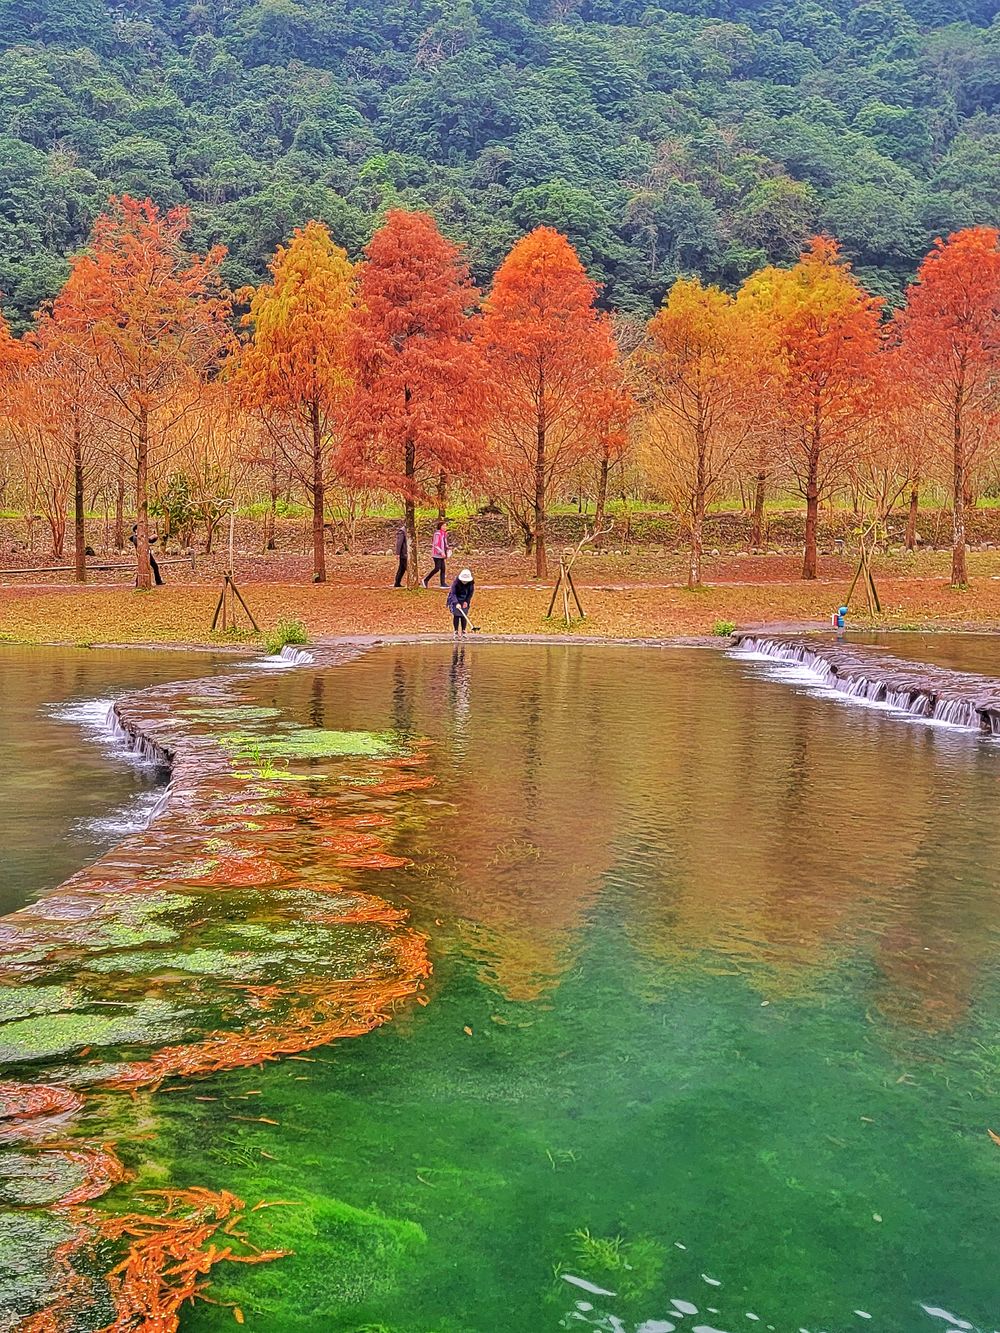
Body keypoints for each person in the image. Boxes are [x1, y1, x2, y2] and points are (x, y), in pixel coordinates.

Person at [422, 519, 451, 588]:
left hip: (442, 554)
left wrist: (447, 548)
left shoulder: (443, 534)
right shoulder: (437, 534)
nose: (445, 527)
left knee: (443, 568)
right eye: (443, 526)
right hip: (437, 554)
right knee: (437, 568)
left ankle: (443, 583)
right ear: (440, 526)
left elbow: (444, 543)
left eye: (445, 526)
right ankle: (425, 580)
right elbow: (435, 545)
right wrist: (441, 552)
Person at [447, 568, 474, 636]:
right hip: (455, 599)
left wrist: (466, 601)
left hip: (464, 599)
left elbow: (470, 594)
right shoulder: (456, 583)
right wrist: (456, 603)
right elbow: (453, 593)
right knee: (456, 615)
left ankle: (463, 630)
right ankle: (456, 631)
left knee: (463, 615)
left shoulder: (471, 584)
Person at [393, 522, 408, 587]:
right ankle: (414, 580)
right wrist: (398, 553)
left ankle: (397, 582)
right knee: (408, 567)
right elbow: (399, 543)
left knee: (402, 568)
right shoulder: (402, 531)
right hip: (404, 553)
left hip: (406, 552)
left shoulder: (407, 530)